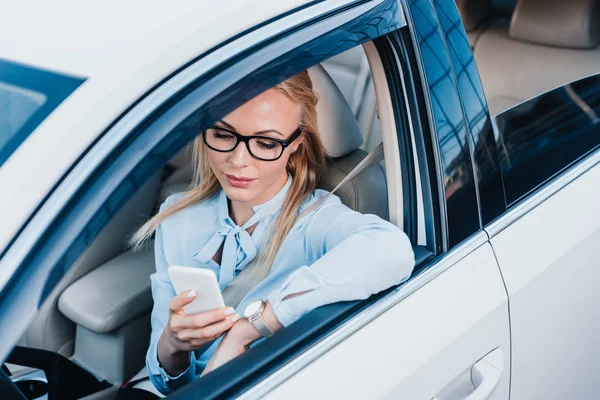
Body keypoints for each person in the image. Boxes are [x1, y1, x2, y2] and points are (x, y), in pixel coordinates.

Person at [127, 70, 415, 396]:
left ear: (296, 144)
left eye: (265, 143)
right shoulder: (177, 216)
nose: (237, 161)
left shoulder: (316, 220)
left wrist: (249, 328)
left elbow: (393, 250)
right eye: (222, 134)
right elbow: (163, 380)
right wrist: (173, 345)